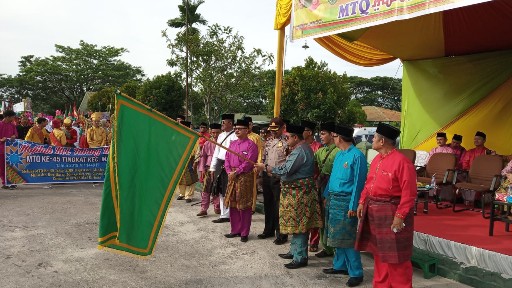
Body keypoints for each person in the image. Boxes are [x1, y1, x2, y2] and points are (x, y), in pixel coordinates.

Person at [355, 123, 416, 288]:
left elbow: (409, 193)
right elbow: (368, 185)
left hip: (392, 212)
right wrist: (362, 202)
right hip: (375, 211)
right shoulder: (376, 159)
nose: (371, 140)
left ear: (382, 141)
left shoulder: (402, 162)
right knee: (379, 255)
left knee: (397, 258)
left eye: (374, 137)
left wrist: (400, 216)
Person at [256, 123, 322, 269]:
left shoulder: (300, 151)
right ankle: (294, 251)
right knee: (296, 224)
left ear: (295, 137)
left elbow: (286, 170)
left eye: (287, 137)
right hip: (297, 192)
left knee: (300, 225)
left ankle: (300, 257)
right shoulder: (300, 149)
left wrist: (266, 167)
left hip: (300, 193)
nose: (286, 140)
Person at [322, 125, 366, 287]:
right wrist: (326, 195)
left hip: (346, 201)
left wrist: (354, 206)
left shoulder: (357, 156)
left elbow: (358, 184)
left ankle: (356, 272)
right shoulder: (340, 155)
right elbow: (332, 178)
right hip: (334, 199)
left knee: (347, 238)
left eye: (333, 136)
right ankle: (339, 265)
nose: (332, 139)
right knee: (335, 236)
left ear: (339, 138)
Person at [223, 119, 258, 242]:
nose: (236, 130)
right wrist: (228, 171)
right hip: (232, 176)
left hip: (244, 176)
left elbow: (249, 162)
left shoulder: (251, 145)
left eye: (240, 128)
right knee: (232, 203)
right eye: (235, 128)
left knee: (244, 205)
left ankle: (244, 232)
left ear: (247, 130)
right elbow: (226, 158)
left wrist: (236, 172)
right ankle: (235, 230)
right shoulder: (232, 144)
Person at [257, 117, 289, 245]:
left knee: (279, 206)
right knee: (268, 204)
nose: (273, 132)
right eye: (272, 130)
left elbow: (288, 161)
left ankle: (281, 233)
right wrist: (261, 175)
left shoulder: (287, 142)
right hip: (267, 176)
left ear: (282, 128)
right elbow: (264, 158)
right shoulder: (268, 141)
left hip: (279, 177)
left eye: (276, 129)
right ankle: (268, 230)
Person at [314, 121, 339, 258]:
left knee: (332, 218)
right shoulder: (320, 151)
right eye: (320, 133)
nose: (321, 136)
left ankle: (335, 248)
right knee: (322, 217)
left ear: (332, 135)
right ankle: (326, 247)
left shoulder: (338, 151)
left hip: (333, 185)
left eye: (323, 134)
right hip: (321, 184)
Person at [209, 113, 238, 223]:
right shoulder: (221, 135)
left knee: (229, 189)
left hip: (230, 165)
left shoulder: (235, 135)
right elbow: (216, 151)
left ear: (230, 123)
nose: (222, 125)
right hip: (220, 164)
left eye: (223, 122)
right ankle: (224, 214)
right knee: (220, 189)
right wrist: (213, 168)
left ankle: (231, 214)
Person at [301, 119, 321, 252]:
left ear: (310, 132)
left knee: (314, 214)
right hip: (301, 184)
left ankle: (314, 240)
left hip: (314, 183)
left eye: (304, 130)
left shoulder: (317, 147)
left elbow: (319, 168)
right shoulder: (299, 145)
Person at [197, 123, 222, 216]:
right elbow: (203, 157)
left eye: (217, 133)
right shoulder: (207, 143)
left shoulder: (223, 143)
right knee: (206, 189)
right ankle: (204, 208)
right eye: (213, 133)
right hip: (208, 168)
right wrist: (202, 168)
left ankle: (217, 206)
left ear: (221, 132)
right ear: (211, 132)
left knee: (217, 188)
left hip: (219, 169)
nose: (215, 135)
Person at [176, 121, 198, 203]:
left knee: (190, 178)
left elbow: (197, 150)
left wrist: (196, 161)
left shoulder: (194, 137)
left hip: (190, 159)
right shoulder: (177, 136)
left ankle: (189, 195)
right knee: (180, 178)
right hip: (180, 159)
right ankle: (182, 194)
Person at [0, 110, 18, 189]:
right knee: (2, 167)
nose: (13, 118)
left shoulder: (12, 125)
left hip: (11, 150)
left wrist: (14, 136)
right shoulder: (0, 124)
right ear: (7, 117)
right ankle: (5, 182)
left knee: (11, 166)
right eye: (12, 117)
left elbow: (15, 134)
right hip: (1, 149)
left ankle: (11, 182)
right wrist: (1, 140)